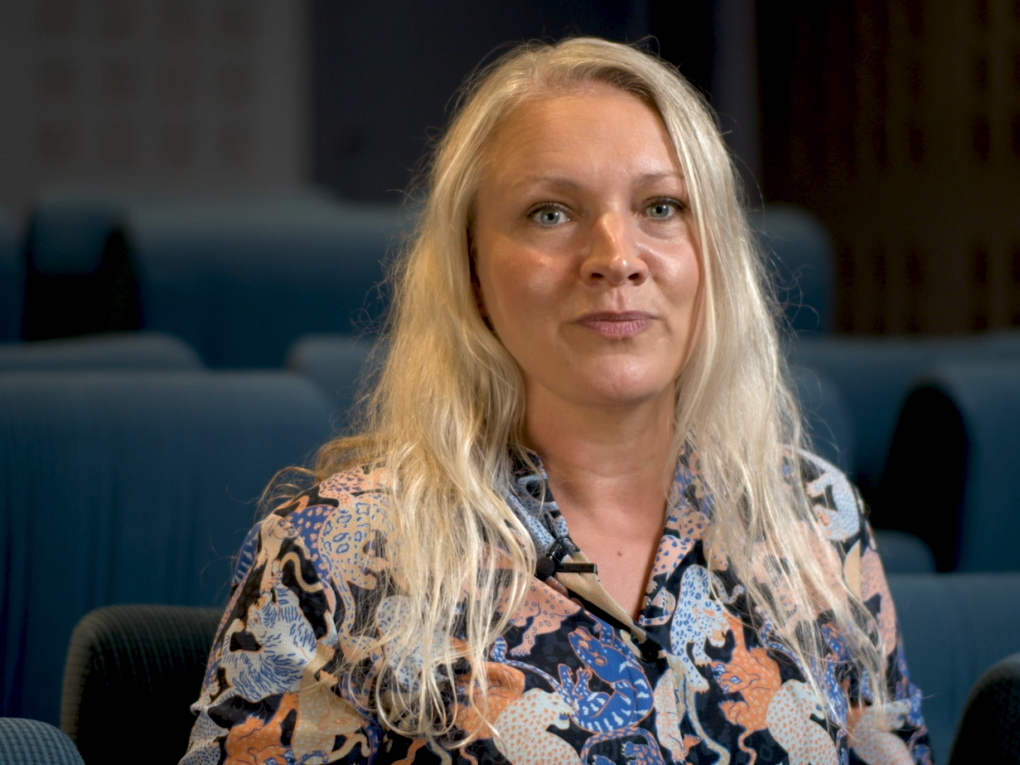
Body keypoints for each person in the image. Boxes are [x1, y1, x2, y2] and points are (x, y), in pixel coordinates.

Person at [181, 38, 931, 764]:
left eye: (661, 206)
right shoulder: (335, 555)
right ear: (472, 269)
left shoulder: (816, 519)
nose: (616, 258)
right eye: (551, 213)